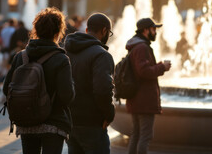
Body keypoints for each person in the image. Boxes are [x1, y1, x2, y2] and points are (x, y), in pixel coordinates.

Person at [3, 7, 75, 154]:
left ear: (36, 29)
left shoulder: (20, 57)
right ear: (57, 33)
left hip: (26, 121)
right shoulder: (61, 58)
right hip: (53, 123)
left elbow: (6, 88)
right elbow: (66, 96)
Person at [65, 13, 115, 154]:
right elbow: (102, 89)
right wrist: (109, 114)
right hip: (92, 122)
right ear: (105, 31)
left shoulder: (67, 51)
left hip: (70, 120)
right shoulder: (101, 55)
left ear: (87, 30)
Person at [125, 18, 172, 154]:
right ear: (145, 30)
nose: (155, 32)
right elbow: (143, 72)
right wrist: (162, 67)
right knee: (144, 136)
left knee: (137, 135)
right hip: (144, 100)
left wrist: (158, 66)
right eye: (153, 29)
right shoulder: (142, 47)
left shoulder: (136, 46)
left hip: (137, 99)